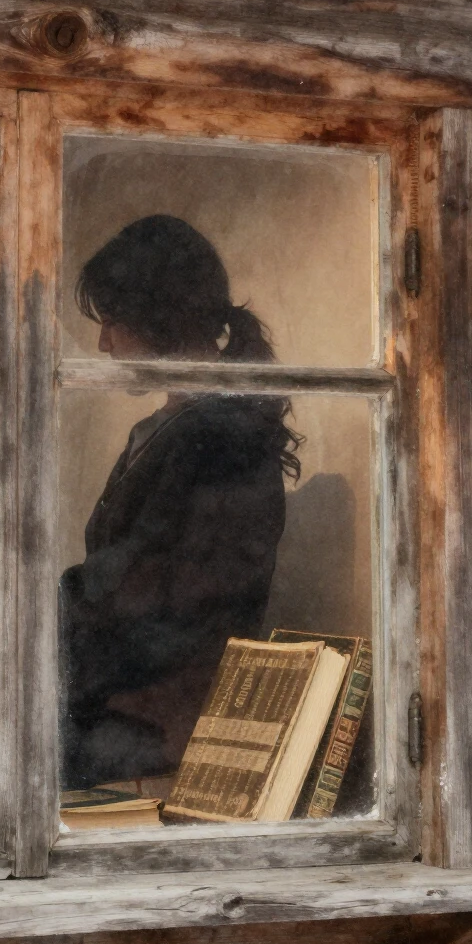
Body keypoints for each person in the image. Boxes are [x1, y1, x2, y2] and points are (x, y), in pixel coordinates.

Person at [60, 215, 299, 789]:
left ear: (157, 318)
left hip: (159, 727)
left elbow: (166, 606)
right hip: (114, 702)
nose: (103, 344)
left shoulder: (223, 438)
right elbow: (114, 580)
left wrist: (33, 628)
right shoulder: (164, 430)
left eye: (112, 323)